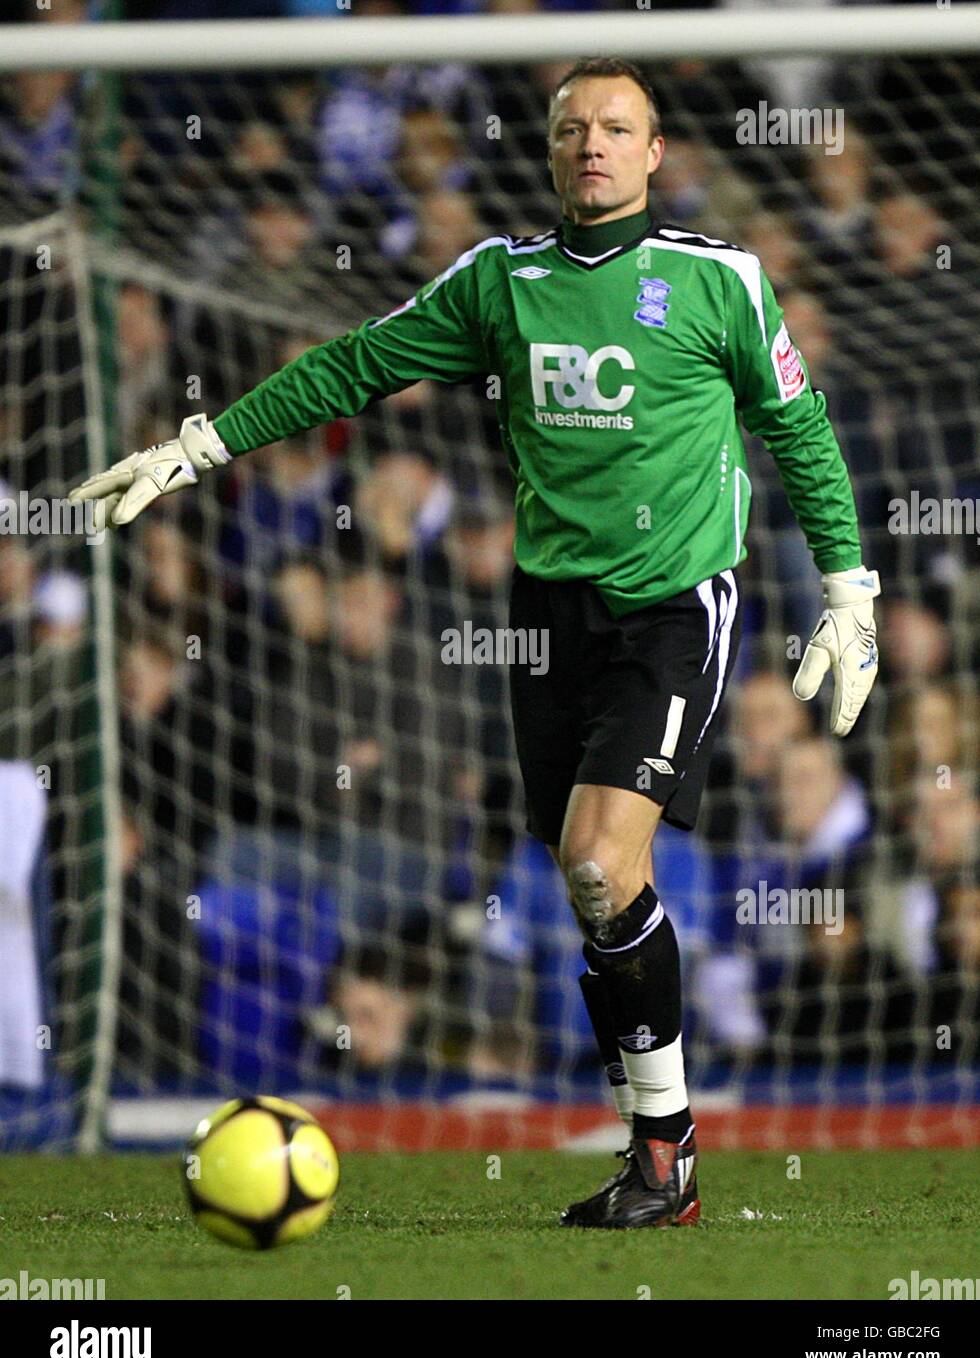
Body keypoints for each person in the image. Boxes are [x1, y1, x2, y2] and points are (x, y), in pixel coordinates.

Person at [67, 57, 882, 1230]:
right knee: (590, 884)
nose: (592, 144)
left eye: (617, 128)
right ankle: (658, 1151)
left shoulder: (722, 283)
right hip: (546, 618)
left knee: (605, 860)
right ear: (550, 153)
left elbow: (800, 429)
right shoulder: (499, 282)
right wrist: (198, 447)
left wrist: (847, 588)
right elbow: (356, 365)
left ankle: (667, 1156)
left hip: (674, 604)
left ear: (654, 154)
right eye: (571, 129)